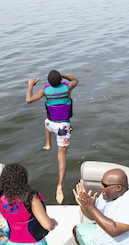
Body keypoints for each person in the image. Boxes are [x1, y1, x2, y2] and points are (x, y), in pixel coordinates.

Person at [26, 70, 79, 204]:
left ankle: (48, 143)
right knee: (61, 158)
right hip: (63, 128)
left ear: (49, 82)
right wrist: (64, 75)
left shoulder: (45, 90)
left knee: (46, 122)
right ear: (61, 80)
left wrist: (30, 85)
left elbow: (28, 100)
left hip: (50, 125)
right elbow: (75, 80)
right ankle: (59, 186)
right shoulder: (67, 87)